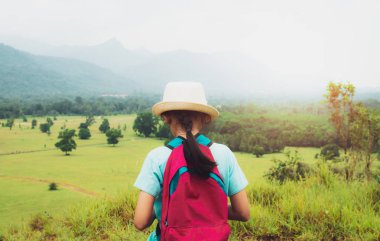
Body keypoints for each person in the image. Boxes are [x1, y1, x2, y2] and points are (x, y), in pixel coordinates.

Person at [134, 82, 250, 241]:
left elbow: (140, 222)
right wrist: (208, 209)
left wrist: (162, 208)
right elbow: (243, 212)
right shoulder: (224, 154)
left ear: (166, 117)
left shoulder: (157, 157)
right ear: (205, 118)